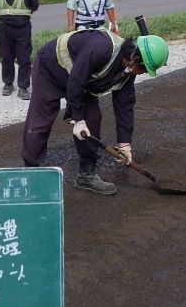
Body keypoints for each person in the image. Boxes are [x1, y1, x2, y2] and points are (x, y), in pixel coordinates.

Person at [21, 29, 169, 195]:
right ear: (135, 58)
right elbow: (76, 81)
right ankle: (30, 173)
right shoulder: (101, 48)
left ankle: (86, 174)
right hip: (51, 66)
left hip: (81, 78)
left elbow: (125, 106)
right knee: (41, 118)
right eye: (143, 69)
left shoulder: (128, 71)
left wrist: (124, 143)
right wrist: (77, 119)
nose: (142, 73)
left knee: (92, 118)